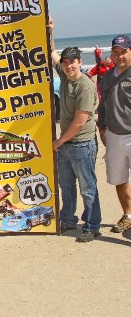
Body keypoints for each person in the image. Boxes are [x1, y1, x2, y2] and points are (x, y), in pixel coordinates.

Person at [49, 18, 101, 242]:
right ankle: (68, 220)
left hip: (81, 144)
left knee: (88, 187)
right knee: (67, 186)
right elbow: (52, 52)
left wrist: (59, 143)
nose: (69, 66)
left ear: (80, 62)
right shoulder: (64, 76)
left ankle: (92, 225)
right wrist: (50, 30)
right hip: (66, 144)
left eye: (73, 62)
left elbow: (80, 121)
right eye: (66, 62)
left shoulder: (85, 86)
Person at [97, 35, 131, 233]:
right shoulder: (107, 76)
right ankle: (127, 215)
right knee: (119, 179)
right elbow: (102, 105)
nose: (119, 56)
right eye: (116, 52)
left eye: (124, 52)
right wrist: (101, 128)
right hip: (113, 135)